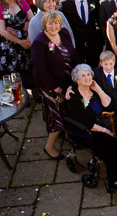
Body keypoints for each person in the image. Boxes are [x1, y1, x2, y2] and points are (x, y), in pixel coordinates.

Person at [65, 64, 117, 193]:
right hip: (87, 131)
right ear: (77, 80)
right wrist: (105, 130)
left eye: (88, 74)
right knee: (109, 145)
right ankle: (115, 180)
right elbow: (85, 122)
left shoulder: (94, 88)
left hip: (103, 122)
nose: (87, 77)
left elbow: (109, 106)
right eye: (83, 75)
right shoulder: (73, 96)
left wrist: (98, 90)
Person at [31, 11, 76, 160]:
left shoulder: (63, 33)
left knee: (69, 111)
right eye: (50, 24)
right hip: (51, 84)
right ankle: (49, 147)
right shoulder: (40, 42)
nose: (53, 26)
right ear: (45, 25)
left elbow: (73, 54)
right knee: (56, 116)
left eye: (56, 23)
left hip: (68, 80)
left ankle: (69, 137)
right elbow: (40, 71)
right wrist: (56, 89)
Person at [60, 0, 103, 67]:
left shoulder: (94, 0)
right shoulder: (65, 4)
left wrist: (99, 41)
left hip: (93, 44)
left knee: (93, 69)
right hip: (76, 44)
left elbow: (98, 21)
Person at [0, 0, 34, 79]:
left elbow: (32, 19)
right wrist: (20, 42)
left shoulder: (22, 2)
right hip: (11, 43)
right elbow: (2, 31)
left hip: (26, 39)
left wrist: (28, 39)